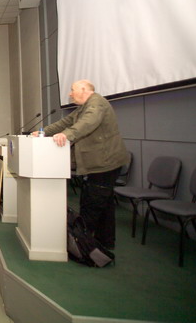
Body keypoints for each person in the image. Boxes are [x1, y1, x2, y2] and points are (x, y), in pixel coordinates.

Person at [33, 79, 129, 249]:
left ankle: (81, 245)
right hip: (101, 163)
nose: (70, 94)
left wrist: (66, 135)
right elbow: (65, 122)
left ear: (84, 89)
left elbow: (87, 123)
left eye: (72, 90)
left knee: (91, 205)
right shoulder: (83, 108)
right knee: (105, 205)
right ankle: (105, 242)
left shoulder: (96, 104)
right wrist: (42, 132)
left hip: (105, 163)